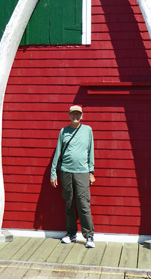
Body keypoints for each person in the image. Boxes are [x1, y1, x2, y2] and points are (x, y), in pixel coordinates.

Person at [50, 105, 95, 248]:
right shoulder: (63, 131)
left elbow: (91, 151)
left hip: (82, 172)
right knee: (68, 204)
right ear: (69, 116)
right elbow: (58, 153)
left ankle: (89, 236)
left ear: (82, 116)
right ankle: (71, 234)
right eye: (73, 114)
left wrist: (91, 171)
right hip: (66, 171)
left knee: (83, 204)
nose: (75, 116)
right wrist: (53, 173)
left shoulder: (88, 130)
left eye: (78, 114)